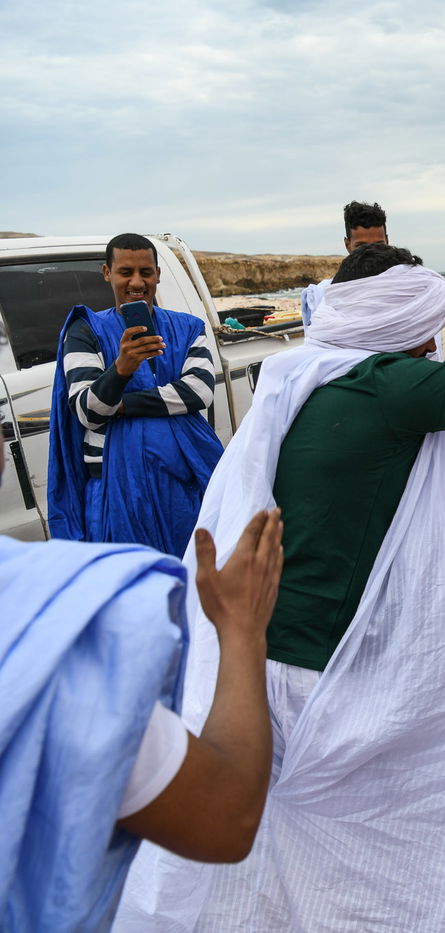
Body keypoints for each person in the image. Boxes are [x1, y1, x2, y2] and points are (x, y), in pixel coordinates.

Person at [117, 155, 445, 931]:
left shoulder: (320, 374)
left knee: (293, 847)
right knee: (376, 840)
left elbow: (444, 384)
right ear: (401, 320)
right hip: (323, 669)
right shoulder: (381, 388)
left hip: (272, 655)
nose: (429, 344)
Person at [3, 359, 284, 929]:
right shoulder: (44, 632)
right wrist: (241, 629)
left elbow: (192, 392)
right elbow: (224, 817)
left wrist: (120, 399)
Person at [47, 233, 224, 556]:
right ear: (107, 273)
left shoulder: (188, 328)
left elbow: (198, 391)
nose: (137, 282)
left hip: (182, 488)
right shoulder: (84, 331)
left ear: (158, 274)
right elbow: (88, 411)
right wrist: (121, 369)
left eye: (146, 272)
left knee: (192, 576)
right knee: (132, 580)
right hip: (114, 493)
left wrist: (120, 404)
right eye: (126, 272)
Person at [300, 201, 390, 326]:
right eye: (361, 246)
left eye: (378, 245)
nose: (371, 253)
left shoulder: (406, 285)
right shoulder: (324, 295)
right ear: (348, 245)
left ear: (387, 241)